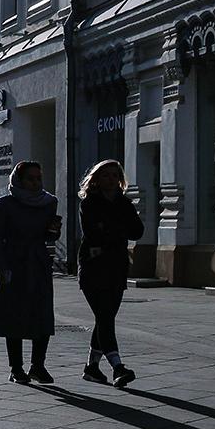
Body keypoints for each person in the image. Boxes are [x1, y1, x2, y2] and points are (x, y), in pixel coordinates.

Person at [0, 160, 61, 385]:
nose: (35, 183)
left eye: (38, 178)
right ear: (19, 180)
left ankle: (38, 366)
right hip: (14, 264)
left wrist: (54, 231)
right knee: (14, 316)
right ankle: (16, 368)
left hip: (38, 264)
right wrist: (0, 265)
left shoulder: (49, 202)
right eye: (30, 178)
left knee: (42, 315)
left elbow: (49, 236)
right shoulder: (6, 204)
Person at [77, 160, 144, 387]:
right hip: (93, 268)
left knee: (105, 318)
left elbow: (138, 231)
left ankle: (92, 368)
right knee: (105, 317)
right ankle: (118, 367)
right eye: (105, 175)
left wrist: (110, 229)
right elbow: (93, 233)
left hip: (116, 267)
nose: (110, 179)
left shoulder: (124, 203)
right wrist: (115, 231)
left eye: (115, 175)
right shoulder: (89, 203)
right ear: (96, 178)